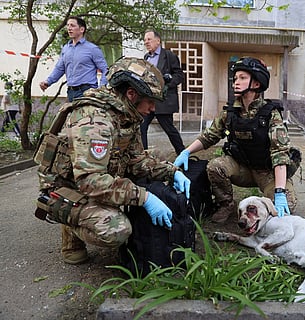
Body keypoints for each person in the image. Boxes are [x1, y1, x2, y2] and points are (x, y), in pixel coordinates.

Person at [34, 57, 191, 265]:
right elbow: (90, 180)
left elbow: (135, 161)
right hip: (68, 188)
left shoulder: (127, 114)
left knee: (156, 164)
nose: (153, 108)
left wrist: (171, 171)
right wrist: (143, 198)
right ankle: (68, 222)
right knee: (116, 229)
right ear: (131, 94)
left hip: (96, 181)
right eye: (150, 101)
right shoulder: (95, 121)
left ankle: (84, 214)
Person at [173, 57, 297, 224]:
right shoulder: (230, 113)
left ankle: (266, 202)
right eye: (235, 78)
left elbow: (280, 154)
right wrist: (186, 152)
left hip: (266, 172)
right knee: (215, 166)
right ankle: (226, 204)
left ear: (256, 84)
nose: (235, 83)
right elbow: (210, 135)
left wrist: (280, 192)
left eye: (242, 78)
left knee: (287, 204)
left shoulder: (271, 114)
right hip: (242, 169)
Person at [39, 16, 108, 102]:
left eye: (72, 25)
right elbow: (60, 68)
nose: (69, 28)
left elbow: (105, 69)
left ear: (81, 29)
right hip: (71, 92)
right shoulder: (66, 48)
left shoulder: (92, 49)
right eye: (68, 25)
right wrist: (48, 82)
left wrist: (102, 88)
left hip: (87, 91)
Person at [140, 29, 185, 154]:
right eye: (145, 40)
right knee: (141, 127)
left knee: (169, 129)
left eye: (149, 39)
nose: (146, 42)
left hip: (163, 101)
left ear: (158, 41)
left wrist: (167, 83)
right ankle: (143, 156)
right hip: (148, 101)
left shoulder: (169, 55)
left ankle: (183, 154)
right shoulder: (146, 58)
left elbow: (179, 75)